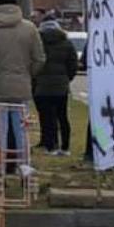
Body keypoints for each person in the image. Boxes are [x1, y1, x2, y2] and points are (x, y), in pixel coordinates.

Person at [0, 0, 44, 168]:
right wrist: (28, 74)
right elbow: (39, 59)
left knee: (0, 131)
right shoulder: (30, 29)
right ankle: (24, 166)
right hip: (21, 84)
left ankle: (0, 169)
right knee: (22, 130)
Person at [33, 16, 78, 155]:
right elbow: (73, 64)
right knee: (62, 116)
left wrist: (35, 80)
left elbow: (34, 61)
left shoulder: (38, 43)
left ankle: (51, 145)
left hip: (42, 86)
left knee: (47, 117)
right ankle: (65, 146)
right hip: (61, 86)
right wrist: (66, 78)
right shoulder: (66, 43)